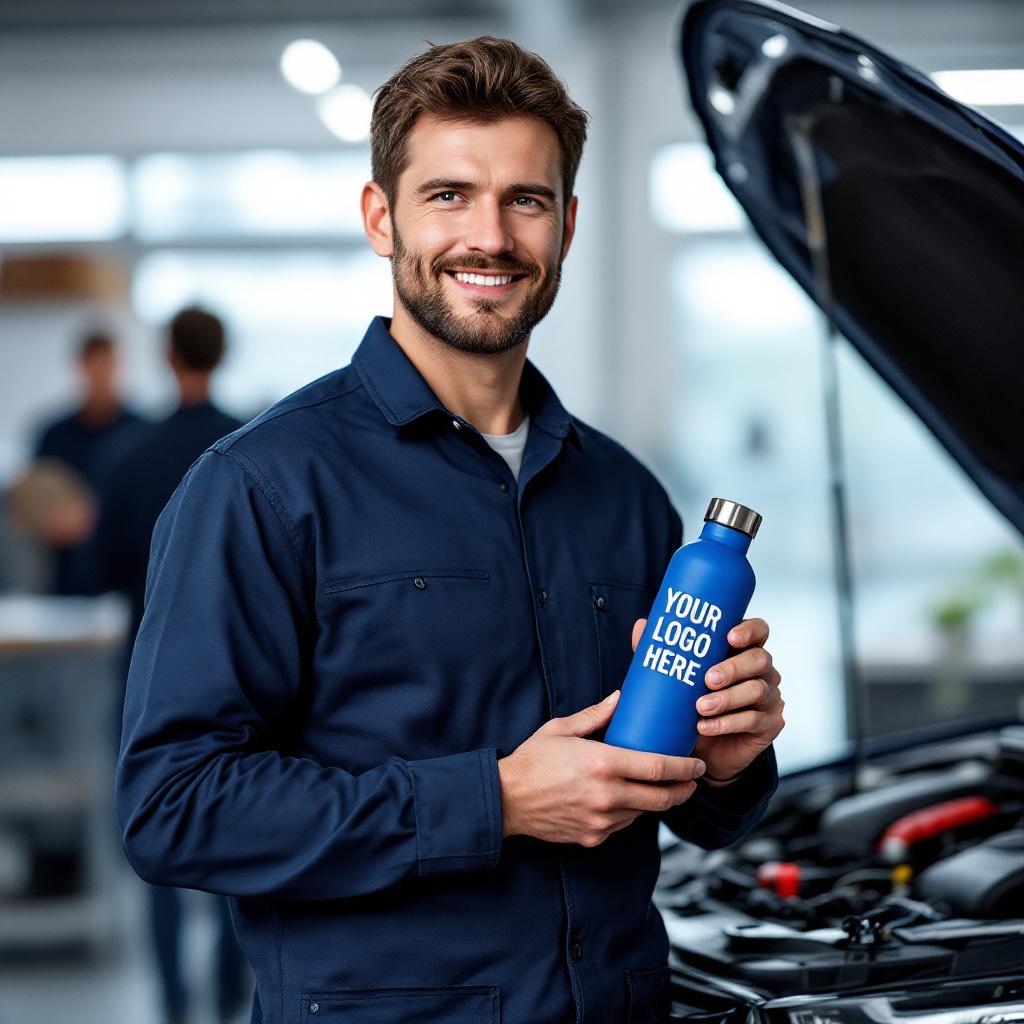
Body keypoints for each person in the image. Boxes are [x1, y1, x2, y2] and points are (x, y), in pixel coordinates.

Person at [116, 37, 786, 1024]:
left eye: (526, 198)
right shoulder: (260, 487)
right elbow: (174, 808)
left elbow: (672, 794)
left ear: (565, 224)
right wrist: (498, 800)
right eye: (448, 196)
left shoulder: (625, 495)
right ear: (380, 217)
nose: (491, 235)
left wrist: (727, 765)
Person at [98, 307, 250, 1024]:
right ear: (223, 353)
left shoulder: (129, 456)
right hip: (247, 678)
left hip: (143, 676)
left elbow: (96, 569)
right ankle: (228, 995)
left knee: (152, 841)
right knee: (240, 841)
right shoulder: (255, 447)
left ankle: (172, 1005)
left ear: (166, 356)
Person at [32, 330, 144, 594]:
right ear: (80, 367)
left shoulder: (141, 433)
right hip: (65, 579)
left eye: (107, 366)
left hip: (127, 579)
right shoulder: (54, 435)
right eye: (94, 367)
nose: (101, 376)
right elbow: (33, 505)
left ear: (118, 366)